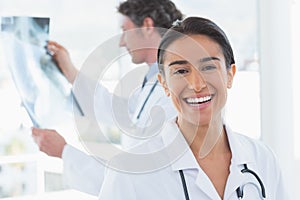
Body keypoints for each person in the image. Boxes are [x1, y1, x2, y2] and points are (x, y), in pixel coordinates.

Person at [98, 16, 288, 200]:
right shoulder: (129, 171)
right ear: (164, 84)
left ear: (230, 75)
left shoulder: (262, 158)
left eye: (208, 67)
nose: (196, 84)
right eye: (181, 71)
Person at [31, 0, 183, 196]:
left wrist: (64, 152)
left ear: (146, 26)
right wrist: (71, 73)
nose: (121, 41)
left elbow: (136, 176)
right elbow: (119, 112)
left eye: (125, 30)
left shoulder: (175, 91)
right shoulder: (153, 82)